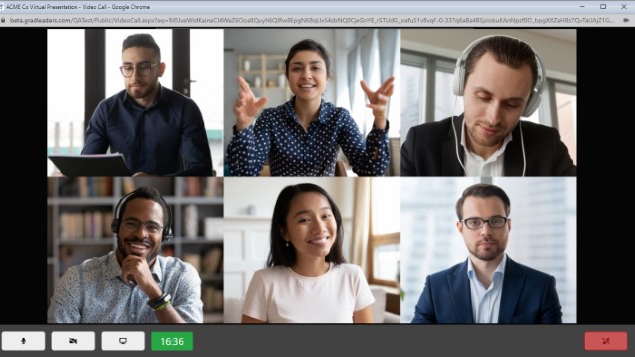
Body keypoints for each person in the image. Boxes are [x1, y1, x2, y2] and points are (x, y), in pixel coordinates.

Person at [401, 34, 576, 176]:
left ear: (529, 105)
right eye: (483, 97)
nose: (493, 118)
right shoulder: (420, 143)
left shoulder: (547, 145)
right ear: (461, 86)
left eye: (512, 104)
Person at [227, 39, 395, 176]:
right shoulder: (270, 118)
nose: (306, 75)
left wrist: (380, 119)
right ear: (287, 76)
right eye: (297, 68)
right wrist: (244, 125)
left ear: (327, 76)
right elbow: (245, 172)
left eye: (315, 68)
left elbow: (371, 171)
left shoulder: (340, 118)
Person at [47, 187, 203, 323]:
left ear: (164, 236)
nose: (141, 234)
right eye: (131, 223)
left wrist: (154, 292)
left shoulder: (182, 276)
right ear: (116, 227)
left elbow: (192, 343)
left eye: (152, 227)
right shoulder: (77, 279)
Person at [411, 183, 562, 323]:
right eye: (474, 222)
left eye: (495, 221)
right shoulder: (435, 286)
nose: (486, 232)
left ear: (508, 226)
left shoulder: (541, 286)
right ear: (460, 228)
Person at [81, 33, 213, 176]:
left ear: (161, 69)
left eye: (144, 67)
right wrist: (71, 174)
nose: (135, 77)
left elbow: (202, 169)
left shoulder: (185, 109)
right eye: (128, 67)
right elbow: (87, 164)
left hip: (168, 192)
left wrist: (156, 179)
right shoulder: (106, 110)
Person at [241, 183, 375, 323]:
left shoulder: (353, 276)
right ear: (284, 232)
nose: (320, 228)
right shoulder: (264, 281)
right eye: (304, 220)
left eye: (325, 216)